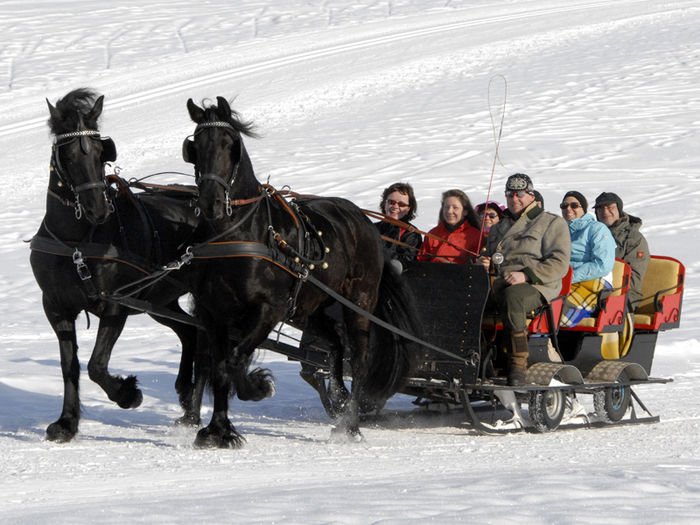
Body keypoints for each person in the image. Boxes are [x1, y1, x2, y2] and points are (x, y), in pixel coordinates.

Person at [479, 173, 570, 385]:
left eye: (519, 194)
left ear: (530, 195)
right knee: (468, 297)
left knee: (514, 297)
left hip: (538, 285)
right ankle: (481, 358)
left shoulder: (550, 223)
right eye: (509, 194)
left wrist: (526, 275)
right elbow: (491, 255)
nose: (514, 199)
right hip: (499, 282)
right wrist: (485, 263)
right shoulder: (498, 228)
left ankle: (517, 364)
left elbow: (559, 262)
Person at [559, 190, 616, 327]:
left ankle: (576, 314)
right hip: (565, 281)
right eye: (564, 206)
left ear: (583, 209)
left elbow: (603, 265)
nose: (568, 209)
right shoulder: (560, 231)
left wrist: (570, 277)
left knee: (555, 311)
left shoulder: (597, 229)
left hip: (595, 281)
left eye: (574, 205)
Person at [593, 192, 650, 310]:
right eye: (601, 209)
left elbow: (633, 278)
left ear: (619, 209)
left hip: (625, 294)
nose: (605, 212)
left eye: (610, 207)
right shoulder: (592, 235)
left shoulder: (634, 239)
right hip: (594, 288)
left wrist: (604, 292)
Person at [419, 189, 482, 263]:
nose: (449, 211)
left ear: (465, 211)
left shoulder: (476, 236)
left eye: (455, 208)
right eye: (446, 207)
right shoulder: (433, 233)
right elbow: (421, 261)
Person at [374, 182, 422, 273]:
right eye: (391, 202)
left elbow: (405, 262)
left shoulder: (412, 234)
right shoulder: (373, 228)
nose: (395, 207)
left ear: (408, 209)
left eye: (402, 204)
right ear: (385, 204)